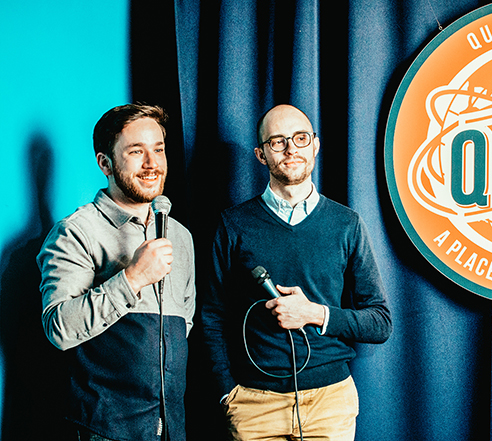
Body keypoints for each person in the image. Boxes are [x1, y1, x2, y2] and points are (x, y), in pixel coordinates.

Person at [202, 104, 392, 440]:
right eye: (278, 141)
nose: (291, 149)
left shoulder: (346, 224)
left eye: (300, 138)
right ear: (261, 155)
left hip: (330, 403)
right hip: (253, 405)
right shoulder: (233, 225)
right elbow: (211, 316)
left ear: (315, 146)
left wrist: (314, 314)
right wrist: (227, 393)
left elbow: (380, 323)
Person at [37, 104, 196, 441]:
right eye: (137, 152)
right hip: (104, 431)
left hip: (171, 430)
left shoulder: (180, 236)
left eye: (159, 150)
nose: (152, 164)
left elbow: (185, 322)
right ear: (105, 163)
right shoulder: (76, 232)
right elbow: (59, 328)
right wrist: (133, 278)